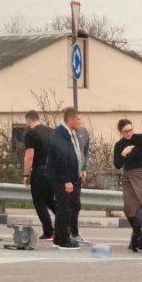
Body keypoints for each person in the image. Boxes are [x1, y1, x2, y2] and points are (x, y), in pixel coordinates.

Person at [113, 119, 142, 252]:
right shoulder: (119, 145)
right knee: (129, 207)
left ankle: (141, 236)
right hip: (127, 174)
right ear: (120, 132)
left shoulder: (140, 139)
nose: (128, 133)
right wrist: (123, 153)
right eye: (125, 131)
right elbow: (117, 164)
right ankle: (137, 233)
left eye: (130, 130)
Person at [46, 107, 84, 250]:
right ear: (71, 119)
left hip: (69, 177)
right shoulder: (60, 135)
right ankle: (62, 239)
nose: (80, 122)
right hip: (62, 179)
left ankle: (61, 236)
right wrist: (67, 180)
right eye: (78, 119)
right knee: (64, 208)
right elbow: (62, 159)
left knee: (68, 206)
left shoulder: (68, 134)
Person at [22, 110, 56, 240]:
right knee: (50, 201)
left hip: (40, 171)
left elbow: (29, 156)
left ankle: (48, 232)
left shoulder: (31, 134)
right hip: (53, 171)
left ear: (29, 120)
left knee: (39, 202)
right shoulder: (52, 132)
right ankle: (65, 225)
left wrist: (26, 174)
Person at [71, 124, 90, 244]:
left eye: (79, 119)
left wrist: (84, 168)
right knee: (67, 204)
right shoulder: (63, 133)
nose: (79, 122)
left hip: (78, 173)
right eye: (76, 119)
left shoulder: (83, 131)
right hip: (67, 173)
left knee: (76, 204)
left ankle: (74, 232)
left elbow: (85, 152)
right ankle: (67, 232)